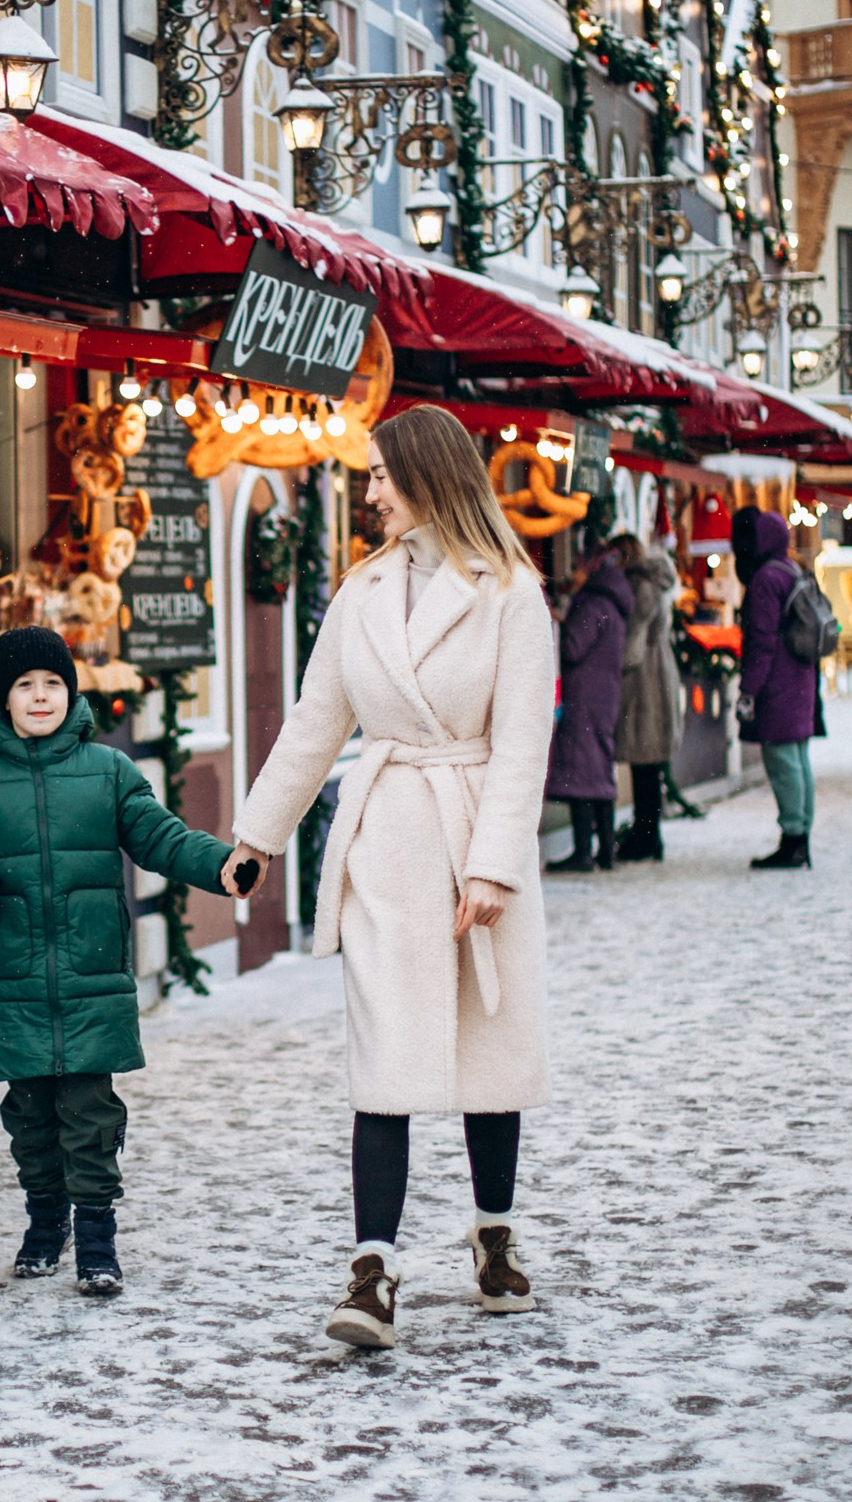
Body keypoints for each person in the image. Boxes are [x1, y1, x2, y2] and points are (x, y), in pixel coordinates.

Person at [219, 405, 556, 1350]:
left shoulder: (510, 594)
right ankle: (372, 1274)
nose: (366, 493)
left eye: (378, 477)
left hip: (475, 829)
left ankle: (493, 1238)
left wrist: (493, 866)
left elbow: (526, 741)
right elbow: (315, 720)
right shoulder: (360, 594)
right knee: (386, 1059)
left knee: (488, 1053)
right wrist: (258, 836)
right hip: (388, 846)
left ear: (426, 477)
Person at [0, 626, 235, 1297]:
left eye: (53, 685)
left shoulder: (110, 772)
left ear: (71, 691)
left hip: (92, 974)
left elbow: (160, 837)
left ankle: (96, 1239)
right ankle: (43, 1224)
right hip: (13, 976)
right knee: (30, 1118)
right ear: (4, 698)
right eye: (25, 686)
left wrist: (223, 866)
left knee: (90, 1115)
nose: (40, 697)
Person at [544, 542, 632, 873]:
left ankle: (583, 852)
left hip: (585, 698)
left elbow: (572, 648)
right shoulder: (611, 602)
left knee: (583, 772)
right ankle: (605, 850)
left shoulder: (594, 605)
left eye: (579, 566)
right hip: (603, 696)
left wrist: (560, 624)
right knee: (598, 770)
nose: (573, 573)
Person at [737, 510, 817, 869]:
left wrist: (749, 688)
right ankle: (801, 836)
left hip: (778, 684)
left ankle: (793, 840)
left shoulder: (766, 579)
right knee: (798, 759)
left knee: (783, 761)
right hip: (800, 678)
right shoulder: (792, 570)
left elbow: (762, 641)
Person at [612, 533, 684, 862]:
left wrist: (618, 663)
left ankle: (646, 834)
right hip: (659, 670)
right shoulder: (656, 581)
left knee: (644, 761)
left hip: (645, 678)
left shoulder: (640, 585)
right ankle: (650, 833)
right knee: (650, 763)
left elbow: (635, 640)